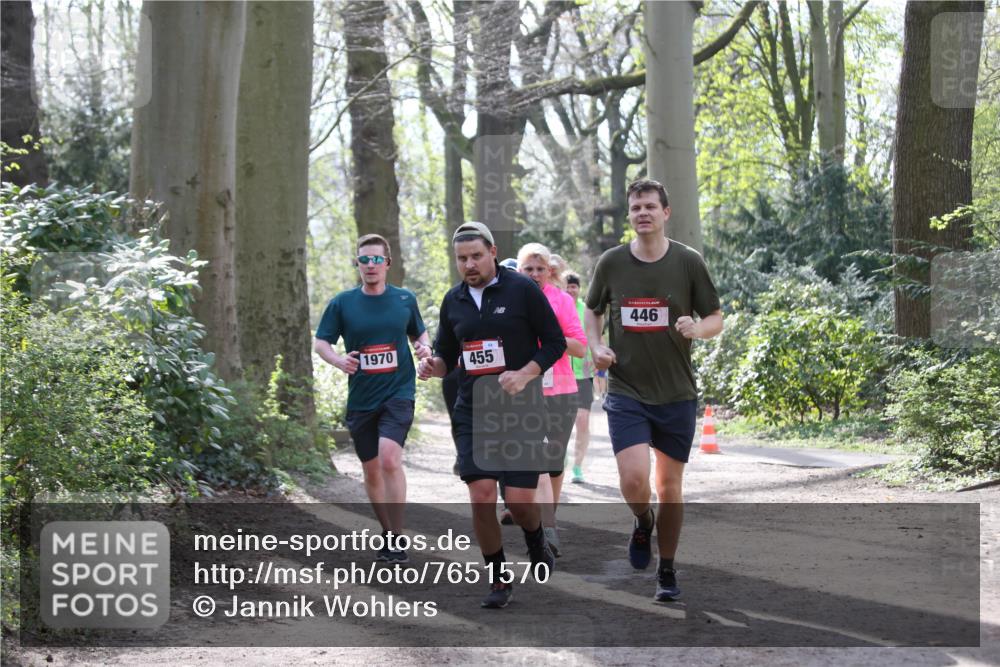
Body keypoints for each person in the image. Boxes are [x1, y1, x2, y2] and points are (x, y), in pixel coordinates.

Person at [584, 178, 723, 602]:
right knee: (633, 479)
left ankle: (667, 569)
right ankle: (643, 522)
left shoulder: (688, 261)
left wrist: (697, 329)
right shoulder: (611, 263)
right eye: (635, 208)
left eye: (649, 206)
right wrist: (596, 345)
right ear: (630, 215)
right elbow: (592, 311)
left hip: (677, 393)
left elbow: (716, 317)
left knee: (670, 487)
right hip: (627, 390)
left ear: (665, 213)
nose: (642, 213)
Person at [418, 222, 566, 609]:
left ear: (493, 251)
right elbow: (447, 356)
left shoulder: (522, 289)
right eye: (461, 258)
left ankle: (535, 539)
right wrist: (432, 366)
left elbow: (553, 342)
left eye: (476, 256)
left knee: (518, 503)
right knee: (481, 495)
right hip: (474, 411)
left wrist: (525, 373)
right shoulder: (454, 301)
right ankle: (498, 578)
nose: (469, 264)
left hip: (521, 411)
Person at [314, 234, 432, 563]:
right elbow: (321, 342)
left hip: (399, 392)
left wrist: (425, 348)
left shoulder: (405, 299)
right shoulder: (342, 303)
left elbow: (418, 333)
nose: (370, 265)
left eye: (376, 259)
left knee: (389, 459)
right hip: (362, 398)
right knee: (371, 471)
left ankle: (398, 534)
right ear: (357, 264)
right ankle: (388, 534)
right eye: (364, 260)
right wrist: (338, 361)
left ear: (388, 264)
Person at [517, 243, 586, 556]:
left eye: (539, 269)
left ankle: (550, 518)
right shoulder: (510, 301)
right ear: (519, 271)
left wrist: (550, 341)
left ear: (550, 271)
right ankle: (548, 529)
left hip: (561, 390)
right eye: (528, 269)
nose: (534, 275)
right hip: (526, 392)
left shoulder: (561, 301)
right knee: (539, 462)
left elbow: (581, 348)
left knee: (555, 463)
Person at [564, 271, 593, 484]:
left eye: (574, 286)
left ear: (579, 289)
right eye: (567, 286)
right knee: (558, 423)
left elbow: (595, 337)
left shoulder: (586, 310)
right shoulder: (556, 306)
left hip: (584, 376)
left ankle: (577, 467)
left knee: (582, 422)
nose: (571, 290)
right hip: (559, 375)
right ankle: (560, 456)